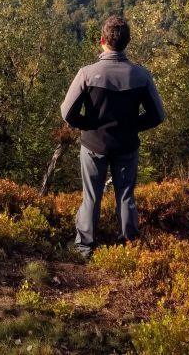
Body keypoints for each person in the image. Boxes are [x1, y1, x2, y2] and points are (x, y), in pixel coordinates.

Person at [59, 14, 166, 261]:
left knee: (91, 196)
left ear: (102, 40)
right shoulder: (141, 75)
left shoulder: (87, 74)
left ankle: (85, 247)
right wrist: (132, 126)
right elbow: (158, 115)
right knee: (126, 194)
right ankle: (129, 244)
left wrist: (89, 125)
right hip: (126, 145)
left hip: (94, 144)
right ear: (127, 42)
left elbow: (67, 112)